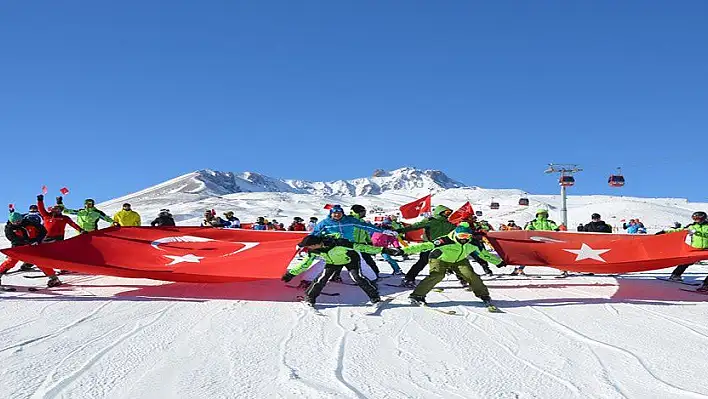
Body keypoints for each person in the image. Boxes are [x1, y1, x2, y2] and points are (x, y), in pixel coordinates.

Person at [404, 223, 503, 309]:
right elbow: (425, 246)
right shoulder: (445, 240)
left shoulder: (472, 243)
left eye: (467, 236)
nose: (464, 238)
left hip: (459, 260)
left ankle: (484, 295)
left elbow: (484, 254)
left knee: (471, 275)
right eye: (462, 235)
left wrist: (498, 262)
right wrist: (403, 251)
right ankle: (417, 295)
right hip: (439, 258)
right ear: (456, 234)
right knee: (437, 275)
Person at [281, 235, 399, 307]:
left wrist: (384, 250)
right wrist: (291, 274)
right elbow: (305, 263)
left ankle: (375, 297)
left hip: (350, 259)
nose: (307, 249)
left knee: (357, 277)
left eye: (309, 246)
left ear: (316, 244)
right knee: (321, 279)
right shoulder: (313, 251)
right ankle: (309, 298)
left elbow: (362, 247)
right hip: (332, 262)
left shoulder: (340, 244)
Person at [311, 205, 384, 281]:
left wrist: (369, 241)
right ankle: (334, 277)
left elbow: (366, 231)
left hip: (358, 244)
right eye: (362, 212)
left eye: (339, 212)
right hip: (347, 244)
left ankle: (373, 277)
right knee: (342, 262)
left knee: (365, 262)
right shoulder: (348, 219)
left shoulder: (359, 221)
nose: (337, 214)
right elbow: (315, 233)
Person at [395, 205, 456, 287]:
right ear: (440, 212)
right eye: (446, 212)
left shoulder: (448, 224)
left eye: (449, 213)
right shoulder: (430, 221)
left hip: (443, 246)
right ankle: (409, 279)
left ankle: (463, 279)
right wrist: (401, 230)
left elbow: (457, 232)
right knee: (422, 261)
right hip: (429, 245)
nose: (447, 214)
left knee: (453, 261)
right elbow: (415, 226)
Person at [1, 212, 61, 287]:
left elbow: (43, 231)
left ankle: (54, 278)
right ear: (11, 221)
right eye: (15, 222)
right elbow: (12, 238)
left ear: (21, 219)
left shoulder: (30, 223)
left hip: (34, 246)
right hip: (19, 247)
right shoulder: (9, 228)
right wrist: (26, 242)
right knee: (11, 261)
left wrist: (37, 240)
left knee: (40, 261)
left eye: (19, 221)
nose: (17, 223)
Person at [663, 211, 708, 289]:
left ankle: (706, 284)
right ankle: (675, 275)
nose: (696, 220)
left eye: (698, 219)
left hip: (707, 248)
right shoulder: (691, 226)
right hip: (695, 248)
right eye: (695, 219)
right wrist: (665, 231)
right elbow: (680, 230)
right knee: (687, 262)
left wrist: (699, 233)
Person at [512, 209, 559, 276]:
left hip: (536, 242)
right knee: (556, 256)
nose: (542, 216)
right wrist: (555, 229)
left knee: (527, 256)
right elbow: (555, 228)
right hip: (546, 243)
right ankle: (563, 269)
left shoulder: (533, 222)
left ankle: (519, 269)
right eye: (541, 214)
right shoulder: (550, 222)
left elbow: (527, 230)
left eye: (543, 214)